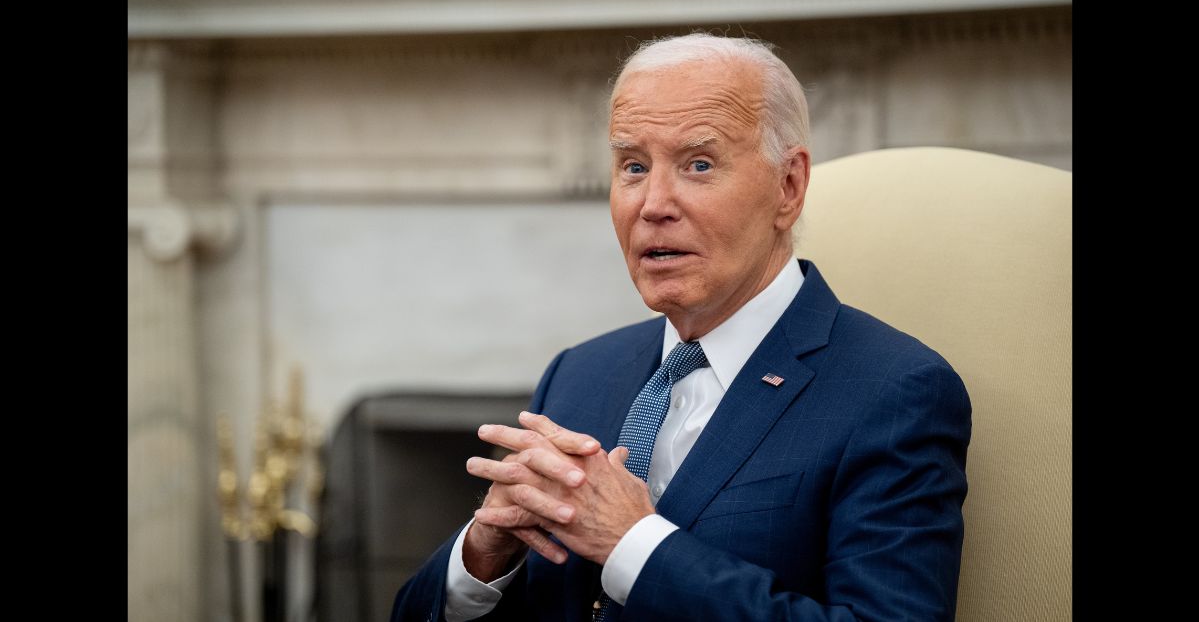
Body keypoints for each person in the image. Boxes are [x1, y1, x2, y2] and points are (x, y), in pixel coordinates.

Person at [390, 32, 971, 622]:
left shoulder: (894, 391)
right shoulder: (579, 373)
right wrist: (484, 556)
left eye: (698, 164)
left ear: (788, 187)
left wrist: (634, 544)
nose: (653, 204)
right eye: (633, 166)